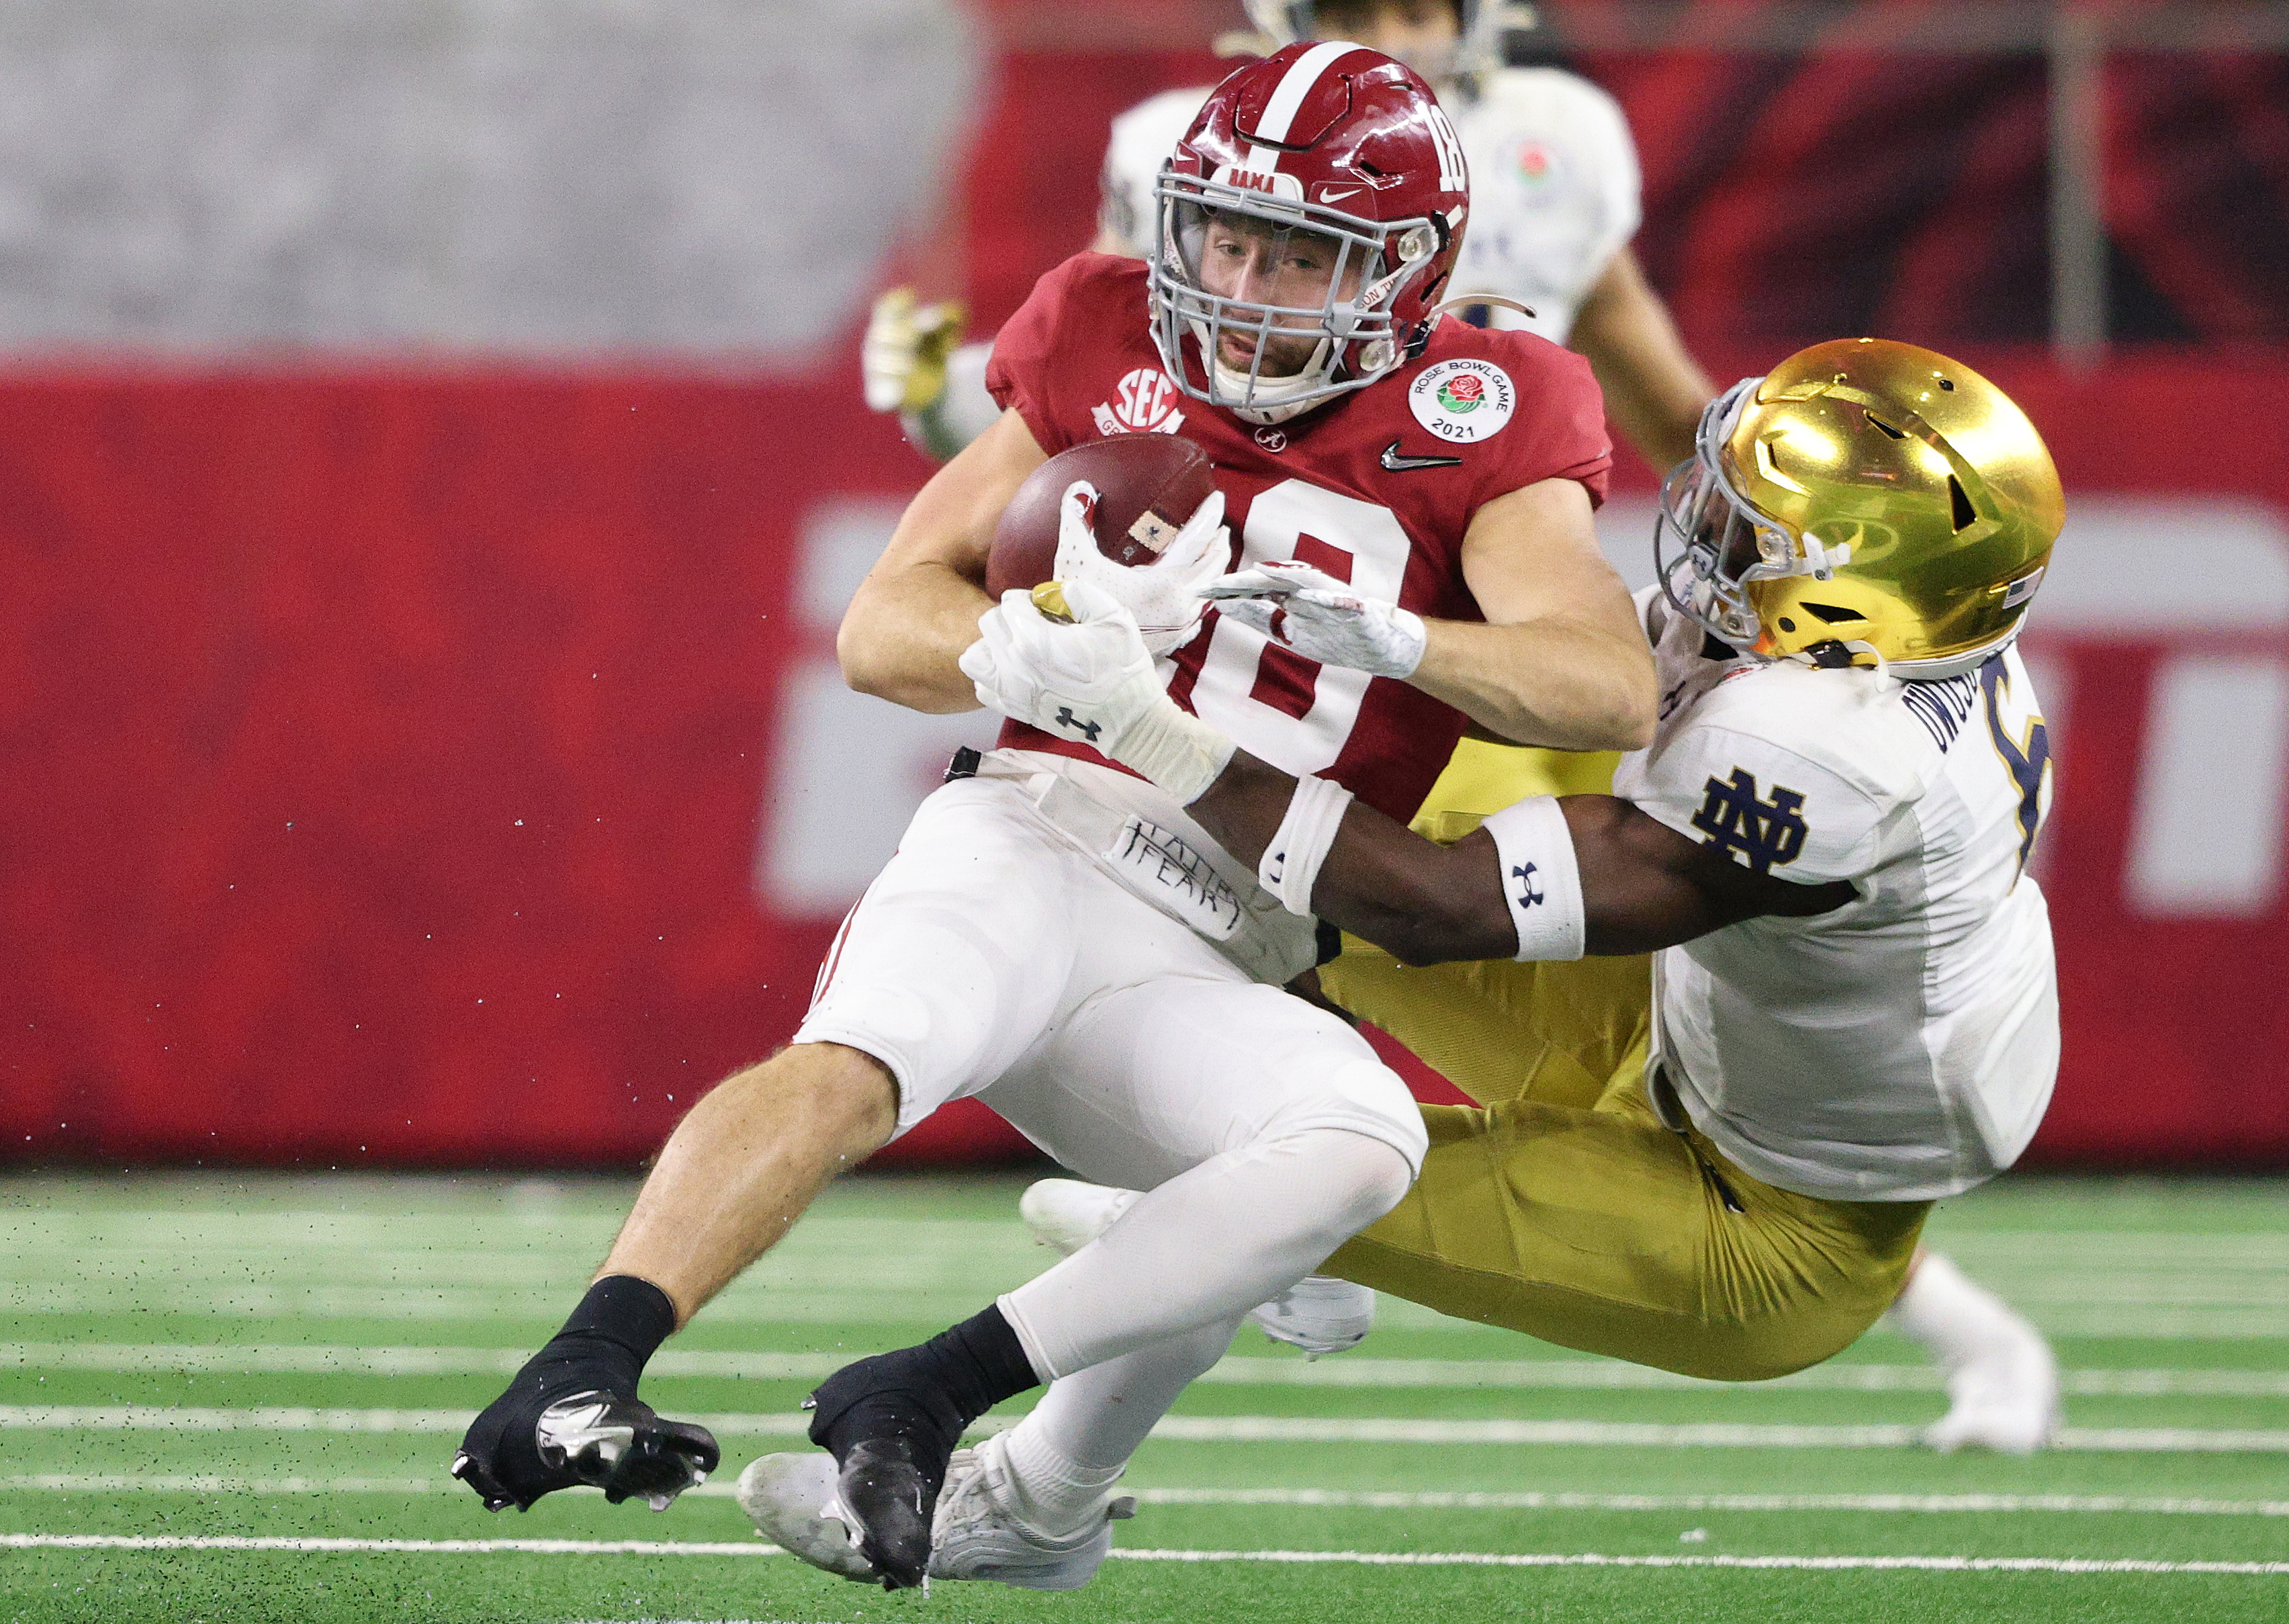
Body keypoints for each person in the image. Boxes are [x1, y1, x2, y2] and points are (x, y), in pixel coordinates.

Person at [453, 41, 1654, 1594]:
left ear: (1411, 273)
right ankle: (582, 1363)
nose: (1242, 283)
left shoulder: (1494, 403)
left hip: (1229, 935)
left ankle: (989, 1452)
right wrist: (1018, 656)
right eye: (1225, 236)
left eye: (1301, 256)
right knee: (856, 1061)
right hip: (1032, 831)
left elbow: (1605, 689)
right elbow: (882, 626)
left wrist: (1404, 640)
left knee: (1349, 1151)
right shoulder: (1099, 321)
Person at [905, 336, 2067, 1588]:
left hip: (1768, 1222)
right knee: (1252, 880)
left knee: (1288, 1160)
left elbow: (1438, 907)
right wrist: (1400, 635)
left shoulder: (1827, 754)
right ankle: (1255, 1236)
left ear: (1849, 600)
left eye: (1753, 529)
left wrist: (1146, 725)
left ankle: (1035, 1502)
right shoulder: (1892, 652)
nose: (1703, 523)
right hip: (1689, 1019)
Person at [874, 0, 1713, 482]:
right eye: (1353, 11)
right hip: (1279, 507)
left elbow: (1667, 409)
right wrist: (940, 400)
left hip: (1479, 516)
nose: (1389, 40)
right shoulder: (1196, 146)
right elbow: (1080, 392)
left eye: (1416, 9)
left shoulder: (1556, 135)